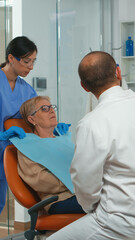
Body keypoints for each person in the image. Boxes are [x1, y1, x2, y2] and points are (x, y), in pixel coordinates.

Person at [47, 51, 135, 240]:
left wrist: (91, 209)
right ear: (118, 72)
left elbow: (86, 184)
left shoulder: (92, 123)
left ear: (84, 87)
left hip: (120, 222)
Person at [0, 36, 70, 214]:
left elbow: (36, 115)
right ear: (10, 58)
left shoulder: (26, 89)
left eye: (33, 61)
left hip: (10, 149)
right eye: (26, 61)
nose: (31, 66)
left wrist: (54, 128)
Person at [17, 96, 84, 214]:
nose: (52, 110)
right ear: (32, 120)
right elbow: (39, 180)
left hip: (82, 191)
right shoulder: (28, 146)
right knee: (109, 201)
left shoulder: (61, 140)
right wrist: (76, 180)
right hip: (60, 199)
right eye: (44, 108)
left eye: (51, 107)